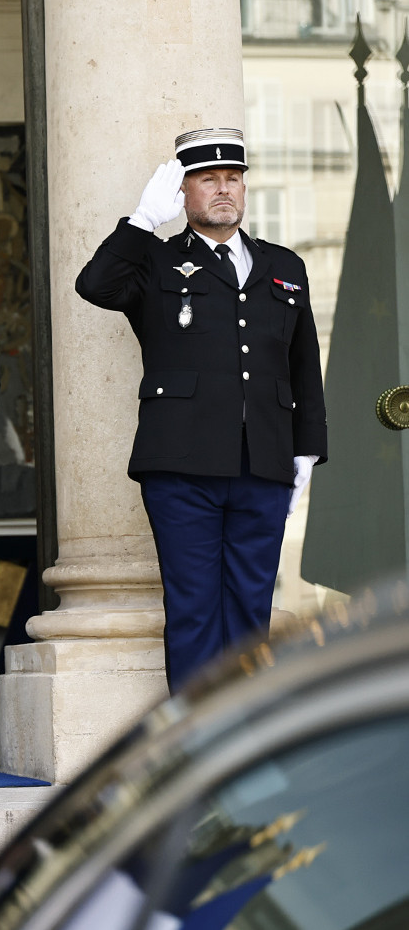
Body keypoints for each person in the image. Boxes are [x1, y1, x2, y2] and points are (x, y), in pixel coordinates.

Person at [76, 128, 327, 690]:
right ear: (183, 192)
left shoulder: (284, 265)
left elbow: (303, 362)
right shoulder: (155, 259)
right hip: (181, 466)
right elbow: (95, 286)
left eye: (232, 179)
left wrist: (308, 447)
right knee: (192, 609)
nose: (223, 190)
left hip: (262, 463)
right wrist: (142, 221)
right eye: (207, 179)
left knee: (251, 614)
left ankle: (248, 733)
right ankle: (194, 737)